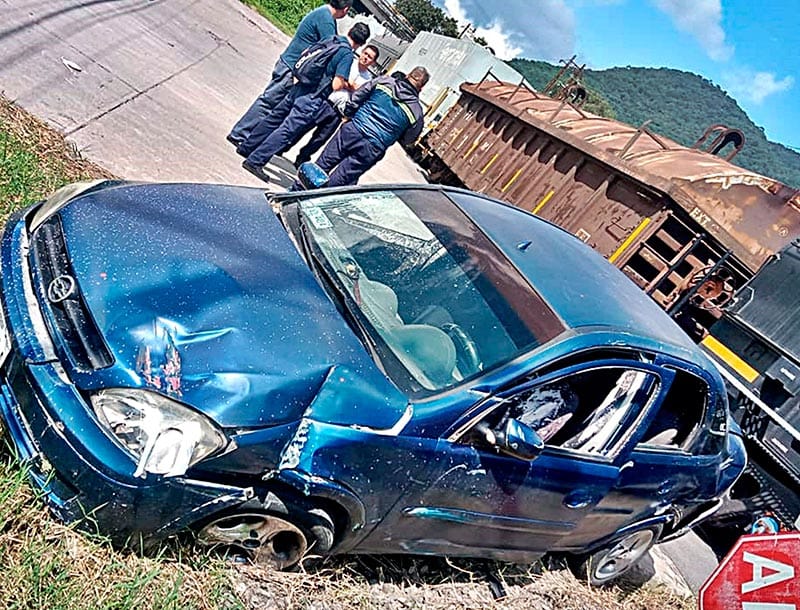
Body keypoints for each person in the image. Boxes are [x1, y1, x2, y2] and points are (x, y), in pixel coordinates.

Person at [240, 23, 370, 182]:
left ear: (350, 31)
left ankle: (247, 147)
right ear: (361, 44)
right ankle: (255, 161)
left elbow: (305, 53)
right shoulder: (346, 54)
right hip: (313, 97)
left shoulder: (332, 39)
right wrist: (348, 85)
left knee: (273, 118)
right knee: (287, 131)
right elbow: (336, 84)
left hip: (300, 86)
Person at [227, 0, 352, 146]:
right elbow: (331, 48)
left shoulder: (323, 13)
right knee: (269, 102)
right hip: (292, 68)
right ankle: (239, 133)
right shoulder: (326, 21)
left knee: (272, 104)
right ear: (346, 9)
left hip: (291, 64)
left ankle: (247, 136)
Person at [293, 66, 429, 188]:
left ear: (407, 76)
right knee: (340, 180)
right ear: (421, 88)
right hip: (373, 147)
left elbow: (356, 98)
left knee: (322, 165)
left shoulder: (383, 82)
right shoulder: (416, 112)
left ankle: (294, 193)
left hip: (353, 130)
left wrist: (350, 116)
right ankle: (312, 204)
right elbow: (408, 140)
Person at [293, 44, 379, 168]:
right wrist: (351, 87)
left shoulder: (368, 79)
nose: (365, 57)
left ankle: (302, 158)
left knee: (320, 139)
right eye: (365, 53)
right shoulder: (349, 62)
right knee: (303, 126)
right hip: (326, 102)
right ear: (361, 52)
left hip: (339, 112)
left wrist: (348, 85)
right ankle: (284, 146)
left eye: (369, 57)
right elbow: (338, 81)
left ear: (373, 62)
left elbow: (361, 94)